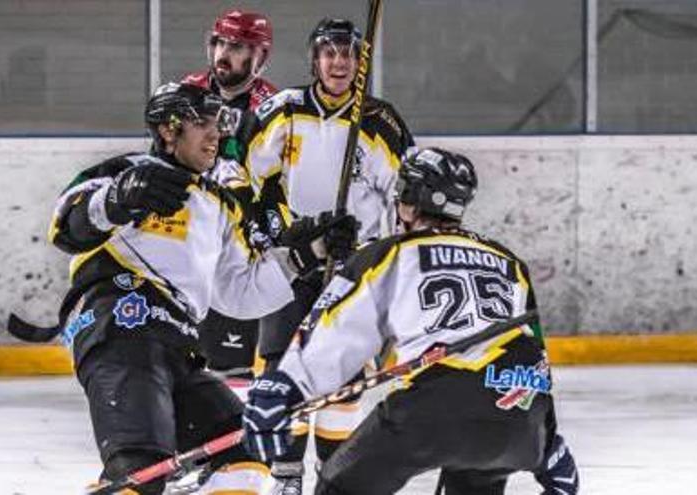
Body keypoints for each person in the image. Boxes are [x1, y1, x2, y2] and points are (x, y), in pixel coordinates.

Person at [242, 148, 580, 495]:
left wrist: (284, 387)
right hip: (517, 415)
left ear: (406, 201)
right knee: (479, 474)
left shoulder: (389, 253)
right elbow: (533, 351)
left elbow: (336, 335)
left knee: (338, 486)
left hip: (432, 409)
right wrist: (547, 437)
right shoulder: (511, 263)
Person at [48, 82, 302, 494]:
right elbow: (65, 228)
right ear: (168, 130)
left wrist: (301, 257)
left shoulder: (220, 203)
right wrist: (115, 201)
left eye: (218, 124)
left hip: (179, 349)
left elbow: (238, 292)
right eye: (201, 123)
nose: (215, 134)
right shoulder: (127, 171)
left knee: (245, 459)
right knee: (141, 471)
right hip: (120, 332)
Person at [244, 17, 415, 493]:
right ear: (314, 59)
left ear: (360, 61)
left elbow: (406, 200)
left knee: (343, 375)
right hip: (292, 262)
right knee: (281, 367)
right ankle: (287, 473)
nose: (338, 62)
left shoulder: (380, 122)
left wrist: (381, 254)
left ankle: (334, 473)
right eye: (329, 52)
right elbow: (246, 180)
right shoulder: (285, 110)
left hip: (354, 270)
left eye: (348, 53)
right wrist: (279, 231)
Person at [181, 8, 278, 396]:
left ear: (259, 56)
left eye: (237, 46)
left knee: (230, 364)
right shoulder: (188, 93)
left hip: (237, 244)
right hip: (188, 237)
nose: (224, 53)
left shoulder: (273, 106)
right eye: (220, 42)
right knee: (184, 352)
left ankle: (230, 445)